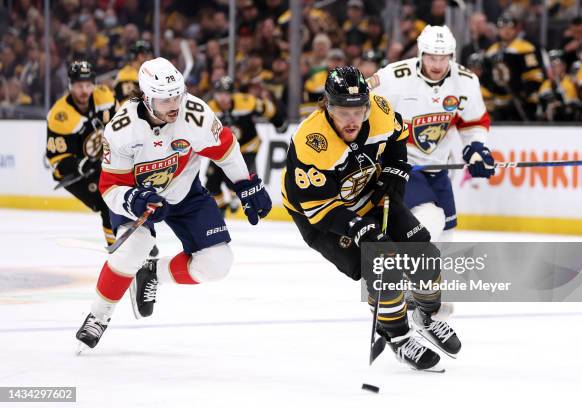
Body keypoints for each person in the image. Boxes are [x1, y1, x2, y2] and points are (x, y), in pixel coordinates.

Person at [76, 57, 272, 350]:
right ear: (146, 97)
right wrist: (136, 199)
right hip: (137, 199)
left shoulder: (195, 114)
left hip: (184, 194)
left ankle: (153, 273)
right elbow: (110, 188)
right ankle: (99, 315)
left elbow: (226, 149)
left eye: (177, 94)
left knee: (218, 263)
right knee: (133, 248)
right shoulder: (121, 129)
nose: (174, 104)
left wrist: (245, 183)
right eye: (165, 98)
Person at [282, 66, 460, 371]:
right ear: (327, 105)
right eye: (342, 111)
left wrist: (395, 171)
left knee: (424, 253)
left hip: (369, 194)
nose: (352, 119)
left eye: (358, 110)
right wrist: (359, 228)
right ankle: (398, 338)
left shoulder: (379, 110)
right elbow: (317, 206)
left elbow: (397, 138)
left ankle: (426, 313)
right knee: (384, 269)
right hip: (322, 217)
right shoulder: (312, 142)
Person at [369, 25, 495, 243]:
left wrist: (475, 149)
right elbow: (363, 109)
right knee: (429, 218)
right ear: (421, 53)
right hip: (402, 167)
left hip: (438, 167)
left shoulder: (465, 81)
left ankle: (429, 275)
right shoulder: (394, 77)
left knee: (445, 234)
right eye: (432, 58)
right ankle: (401, 269)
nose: (437, 65)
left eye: (443, 58)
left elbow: (474, 122)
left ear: (452, 56)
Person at [46, 61, 117, 247]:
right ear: (70, 85)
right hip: (75, 175)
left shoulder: (105, 97)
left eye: (87, 85)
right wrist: (82, 164)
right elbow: (58, 163)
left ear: (93, 84)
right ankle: (116, 250)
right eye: (78, 85)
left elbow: (123, 124)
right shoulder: (60, 115)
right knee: (106, 203)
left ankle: (136, 239)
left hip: (101, 162)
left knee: (124, 194)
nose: (84, 90)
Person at [205, 76, 287, 214]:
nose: (223, 98)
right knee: (211, 181)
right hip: (224, 150)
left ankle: (234, 196)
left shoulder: (246, 102)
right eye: (219, 94)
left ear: (232, 94)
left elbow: (267, 108)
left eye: (226, 94)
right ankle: (219, 212)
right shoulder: (209, 108)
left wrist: (279, 123)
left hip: (247, 147)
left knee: (232, 179)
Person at [482, 14, 545, 121]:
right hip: (498, 105)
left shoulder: (526, 48)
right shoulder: (491, 52)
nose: (506, 31)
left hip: (522, 104)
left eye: (509, 28)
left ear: (516, 30)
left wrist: (524, 94)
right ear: (498, 30)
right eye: (502, 28)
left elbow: (534, 75)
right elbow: (487, 77)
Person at [537, 49, 580, 122]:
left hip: (569, 121)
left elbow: (573, 105)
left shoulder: (571, 81)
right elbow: (540, 112)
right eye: (551, 66)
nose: (553, 69)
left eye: (556, 65)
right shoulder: (545, 84)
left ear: (564, 66)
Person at [113, 41, 154, 107]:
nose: (150, 58)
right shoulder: (126, 74)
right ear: (140, 56)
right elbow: (127, 100)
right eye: (147, 55)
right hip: (129, 112)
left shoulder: (148, 72)